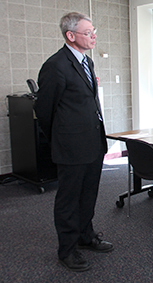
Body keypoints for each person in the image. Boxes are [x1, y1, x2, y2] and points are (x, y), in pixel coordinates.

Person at [34, 12, 113, 272]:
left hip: (92, 142)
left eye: (94, 31)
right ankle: (66, 250)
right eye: (88, 32)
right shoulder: (55, 65)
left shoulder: (86, 62)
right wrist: (58, 139)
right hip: (70, 146)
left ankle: (85, 236)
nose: (93, 36)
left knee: (88, 194)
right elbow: (44, 110)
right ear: (70, 35)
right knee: (68, 199)